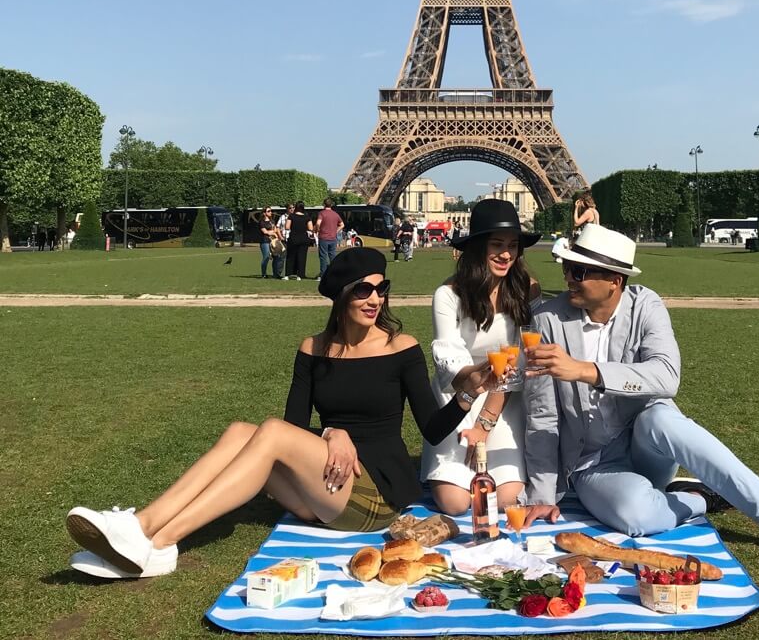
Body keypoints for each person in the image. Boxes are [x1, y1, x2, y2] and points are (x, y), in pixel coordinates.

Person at [64, 247, 494, 579]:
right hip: (322, 485)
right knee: (240, 431)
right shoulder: (313, 349)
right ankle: (148, 537)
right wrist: (332, 432)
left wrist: (464, 397)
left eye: (382, 289)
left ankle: (155, 537)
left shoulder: (401, 348)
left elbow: (432, 431)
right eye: (363, 289)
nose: (375, 299)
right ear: (342, 295)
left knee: (265, 431)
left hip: (375, 494)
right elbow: (293, 428)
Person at [520, 223, 759, 572]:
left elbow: (667, 376)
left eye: (579, 271)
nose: (568, 278)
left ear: (614, 280)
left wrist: (587, 370)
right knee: (637, 518)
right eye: (567, 268)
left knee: (662, 417)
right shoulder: (546, 320)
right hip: (593, 463)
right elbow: (542, 414)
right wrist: (542, 494)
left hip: (645, 440)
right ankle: (699, 497)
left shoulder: (646, 305)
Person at [422, 199, 541, 516]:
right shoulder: (447, 295)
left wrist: (485, 426)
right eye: (497, 245)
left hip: (502, 401)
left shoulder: (526, 291)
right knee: (456, 503)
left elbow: (515, 366)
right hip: (458, 398)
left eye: (513, 246)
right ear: (476, 247)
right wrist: (480, 379)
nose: (506, 255)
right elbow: (451, 364)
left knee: (505, 501)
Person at [315, 198, 344, 279]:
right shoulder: (335, 214)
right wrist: (336, 231)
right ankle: (335, 273)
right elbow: (342, 224)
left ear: (324, 204)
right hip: (333, 238)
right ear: (331, 205)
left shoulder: (322, 213)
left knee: (323, 257)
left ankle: (323, 274)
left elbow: (318, 223)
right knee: (333, 256)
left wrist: (317, 230)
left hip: (323, 237)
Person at [283, 201, 313, 281]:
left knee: (290, 257)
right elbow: (310, 228)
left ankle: (288, 274)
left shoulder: (291, 216)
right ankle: (300, 275)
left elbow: (287, 227)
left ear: (295, 207)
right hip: (304, 239)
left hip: (293, 238)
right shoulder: (307, 217)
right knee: (302, 257)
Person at [258, 208, 283, 280]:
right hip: (265, 241)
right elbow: (265, 232)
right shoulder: (261, 222)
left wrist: (273, 232)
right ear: (264, 213)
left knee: (276, 256)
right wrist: (272, 232)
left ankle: (276, 274)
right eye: (268, 211)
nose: (270, 212)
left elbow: (275, 230)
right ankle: (264, 274)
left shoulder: (272, 221)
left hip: (273, 240)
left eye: (271, 211)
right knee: (266, 257)